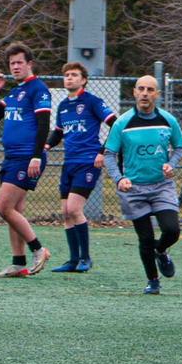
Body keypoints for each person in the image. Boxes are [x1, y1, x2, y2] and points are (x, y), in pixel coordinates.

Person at [105, 75, 182, 295]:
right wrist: (119, 178)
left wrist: (171, 164)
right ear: (134, 92)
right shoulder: (122, 123)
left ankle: (161, 251)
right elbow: (109, 154)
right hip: (134, 190)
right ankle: (153, 280)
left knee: (172, 230)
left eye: (150, 89)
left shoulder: (168, 120)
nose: (145, 93)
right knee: (145, 238)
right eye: (141, 89)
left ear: (157, 95)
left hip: (161, 186)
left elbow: (179, 147)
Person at [0, 44, 53, 277]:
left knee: (3, 208)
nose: (14, 66)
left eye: (19, 62)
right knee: (14, 210)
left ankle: (38, 249)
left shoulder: (38, 89)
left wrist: (36, 156)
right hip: (12, 157)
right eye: (11, 63)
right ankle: (18, 263)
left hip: (26, 157)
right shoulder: (14, 92)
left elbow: (44, 124)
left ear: (29, 64)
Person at [47, 62, 117, 273]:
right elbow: (58, 132)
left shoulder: (92, 102)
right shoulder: (63, 106)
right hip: (69, 163)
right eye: (66, 75)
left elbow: (116, 124)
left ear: (83, 80)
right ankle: (72, 260)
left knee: (74, 209)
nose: (69, 78)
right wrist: (46, 145)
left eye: (74, 75)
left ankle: (86, 258)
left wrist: (102, 152)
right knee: (65, 213)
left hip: (87, 162)